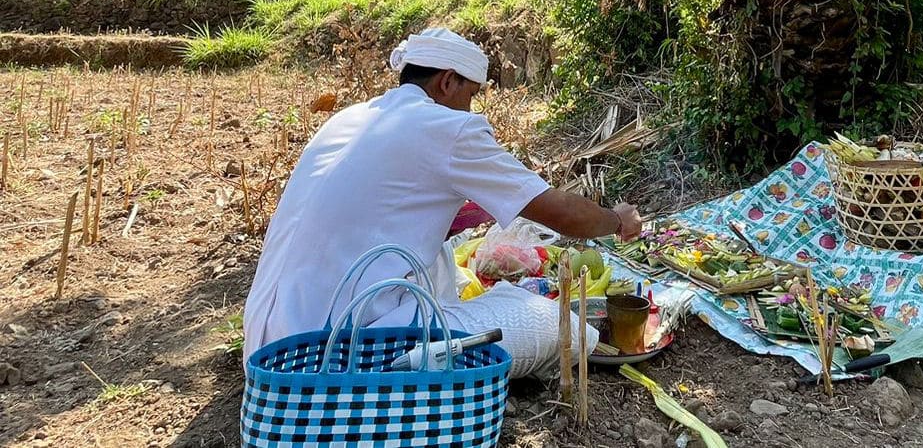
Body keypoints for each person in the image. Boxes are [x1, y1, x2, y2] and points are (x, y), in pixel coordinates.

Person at [242, 27, 642, 378]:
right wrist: (616, 219)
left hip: (270, 344)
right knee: (565, 330)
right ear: (448, 82)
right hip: (335, 356)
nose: (471, 107)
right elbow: (561, 213)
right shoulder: (447, 127)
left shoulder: (350, 117)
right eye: (471, 94)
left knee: (441, 254)